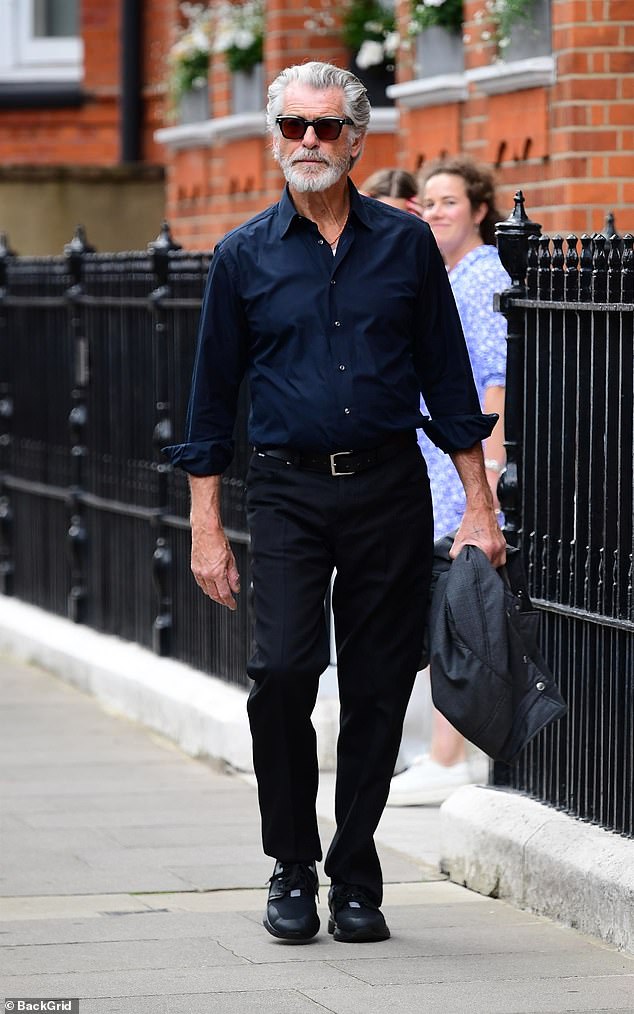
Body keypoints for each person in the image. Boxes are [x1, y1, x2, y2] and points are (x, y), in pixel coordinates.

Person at [164, 62, 505, 945]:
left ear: (357, 140)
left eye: (324, 128)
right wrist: (207, 528)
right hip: (285, 489)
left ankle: (355, 867)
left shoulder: (404, 246)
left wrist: (478, 507)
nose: (307, 143)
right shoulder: (242, 255)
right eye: (291, 128)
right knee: (281, 672)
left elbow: (449, 382)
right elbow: (209, 405)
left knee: (381, 685)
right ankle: (291, 862)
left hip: (388, 485)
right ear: (276, 139)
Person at [387, 155, 510, 808]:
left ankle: (448, 755)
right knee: (439, 600)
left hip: (462, 470)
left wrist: (486, 478)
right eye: (428, 202)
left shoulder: (482, 276)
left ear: (480, 210)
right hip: (434, 463)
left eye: (449, 202)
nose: (434, 212)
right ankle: (442, 752)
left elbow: (495, 380)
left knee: (452, 603)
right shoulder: (447, 272)